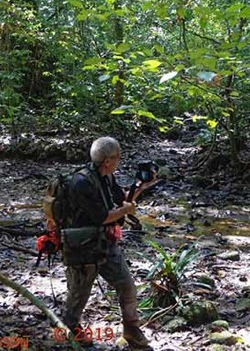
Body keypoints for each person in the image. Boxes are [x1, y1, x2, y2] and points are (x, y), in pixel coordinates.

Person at [62, 136, 156, 350]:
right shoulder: (81, 182)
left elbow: (122, 197)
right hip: (82, 247)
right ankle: (70, 331)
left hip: (104, 242)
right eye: (118, 157)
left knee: (127, 285)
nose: (119, 160)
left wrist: (141, 186)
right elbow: (103, 216)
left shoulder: (106, 176)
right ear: (107, 160)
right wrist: (125, 211)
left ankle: (132, 330)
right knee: (78, 295)